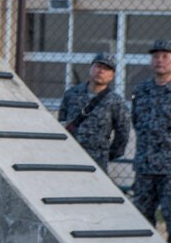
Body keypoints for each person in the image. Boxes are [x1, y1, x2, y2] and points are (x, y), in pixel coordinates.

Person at [57, 52, 129, 171]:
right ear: (90, 68)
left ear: (112, 75)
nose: (101, 71)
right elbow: (61, 122)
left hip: (97, 162)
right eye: (98, 66)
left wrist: (107, 155)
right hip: (69, 156)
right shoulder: (71, 94)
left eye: (106, 69)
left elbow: (123, 133)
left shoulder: (116, 101)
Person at [131, 40, 171, 232]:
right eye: (155, 56)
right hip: (145, 168)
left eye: (165, 56)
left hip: (169, 169)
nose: (159, 61)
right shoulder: (141, 90)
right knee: (141, 220)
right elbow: (136, 122)